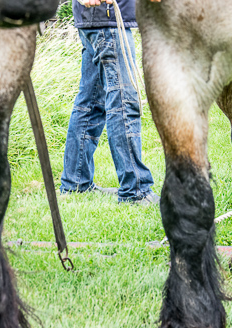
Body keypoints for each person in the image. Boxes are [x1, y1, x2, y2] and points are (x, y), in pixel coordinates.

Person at [60, 0, 159, 205]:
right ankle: (136, 191)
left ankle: (75, 183)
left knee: (90, 104)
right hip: (106, 19)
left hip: (97, 19)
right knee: (123, 102)